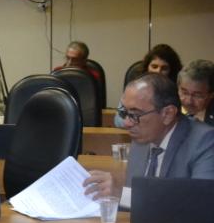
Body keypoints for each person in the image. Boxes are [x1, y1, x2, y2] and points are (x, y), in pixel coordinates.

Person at [84, 73, 214, 210]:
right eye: (124, 112)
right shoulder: (142, 138)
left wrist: (123, 195)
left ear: (168, 114)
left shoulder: (205, 142)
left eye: (135, 114)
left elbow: (203, 204)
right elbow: (132, 203)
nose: (127, 123)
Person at [114, 44, 183, 127]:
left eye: (164, 68)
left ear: (171, 71)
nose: (158, 71)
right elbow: (118, 120)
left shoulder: (180, 92)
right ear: (147, 67)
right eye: (154, 66)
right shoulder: (135, 89)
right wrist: (136, 122)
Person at [178, 59, 214, 126]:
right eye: (185, 93)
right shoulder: (169, 108)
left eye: (197, 95)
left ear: (211, 94)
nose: (189, 101)